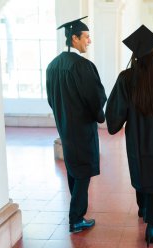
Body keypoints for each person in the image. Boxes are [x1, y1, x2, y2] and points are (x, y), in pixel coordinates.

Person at [105, 25, 153, 247]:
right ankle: (151, 225)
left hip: (137, 138)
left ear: (136, 55)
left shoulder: (127, 78)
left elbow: (115, 111)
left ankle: (142, 209)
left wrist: (115, 124)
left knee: (142, 173)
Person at [46, 16, 107, 233]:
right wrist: (99, 115)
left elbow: (51, 100)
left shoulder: (52, 66)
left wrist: (63, 116)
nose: (89, 41)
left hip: (65, 126)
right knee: (83, 171)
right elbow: (96, 97)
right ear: (74, 38)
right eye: (86, 37)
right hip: (82, 128)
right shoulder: (83, 66)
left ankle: (76, 213)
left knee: (73, 168)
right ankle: (76, 218)